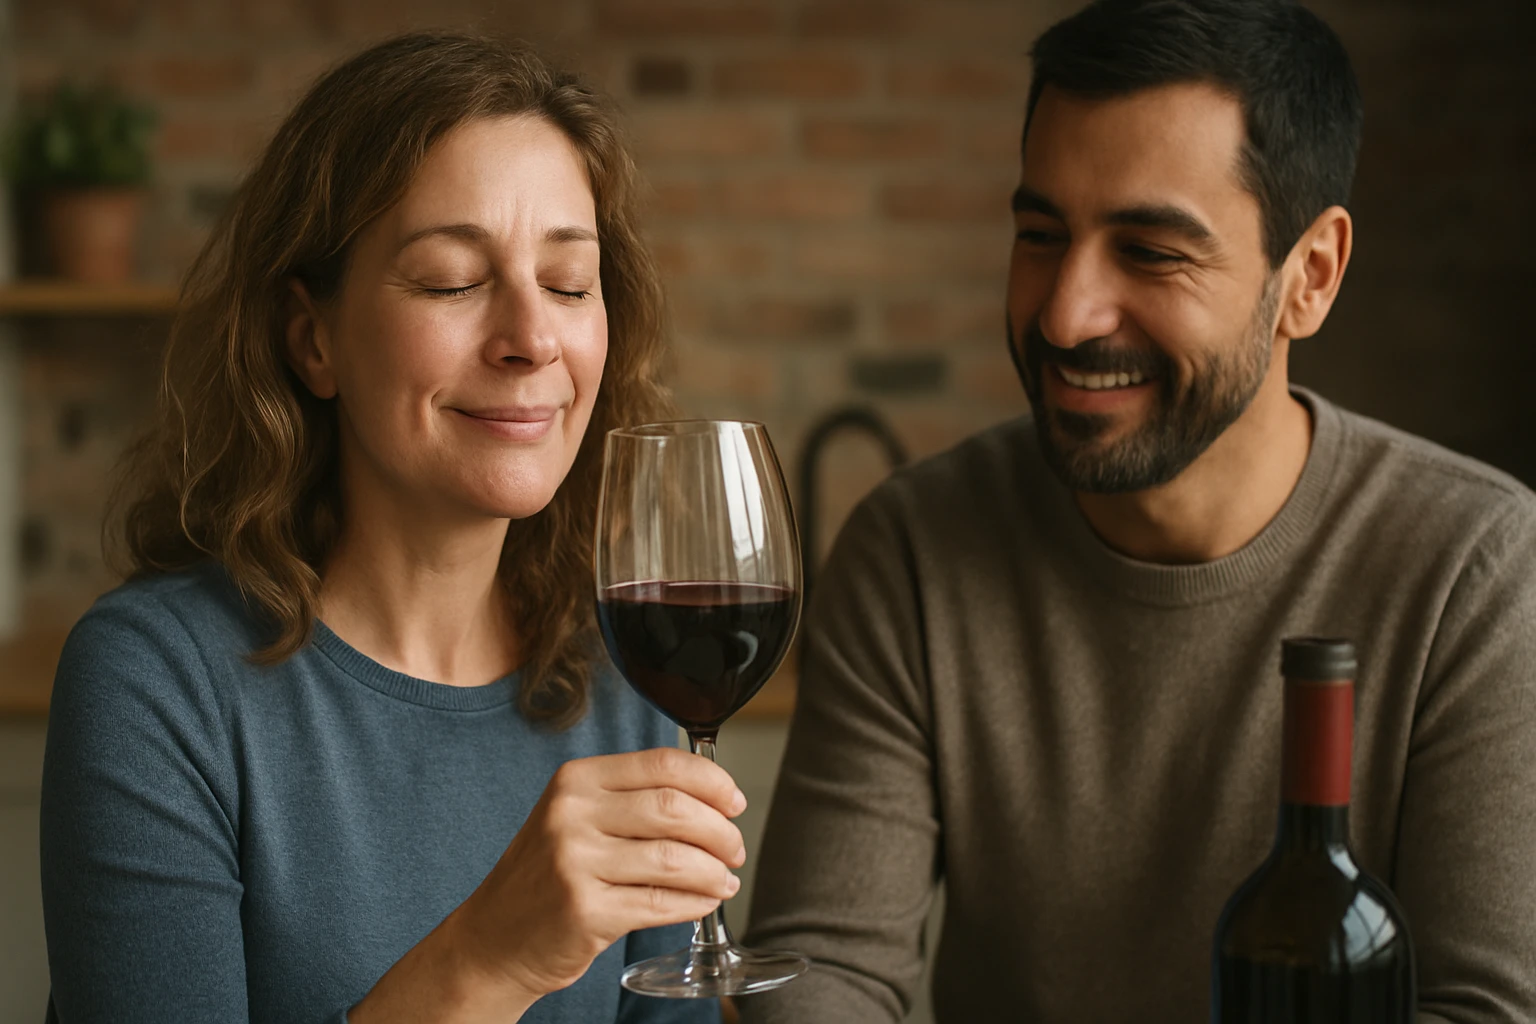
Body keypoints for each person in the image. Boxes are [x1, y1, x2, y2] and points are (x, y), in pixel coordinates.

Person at [739, 1, 1536, 1021]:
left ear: (1311, 277)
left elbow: (1482, 1009)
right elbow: (825, 966)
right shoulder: (913, 548)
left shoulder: (1474, 567)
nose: (1067, 313)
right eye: (1041, 233)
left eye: (1152, 252)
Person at [40, 33, 739, 1024]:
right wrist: (489, 959)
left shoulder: (627, 680)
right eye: (453, 278)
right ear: (311, 336)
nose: (533, 338)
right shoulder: (156, 682)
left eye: (570, 283)